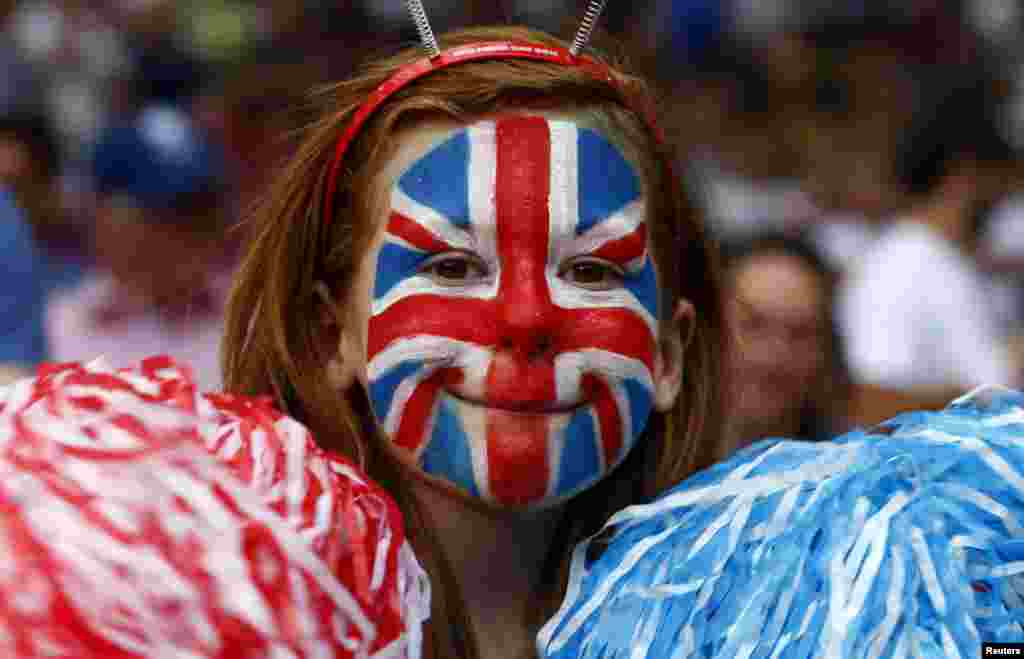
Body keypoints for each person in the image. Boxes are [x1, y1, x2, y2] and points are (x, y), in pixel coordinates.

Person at [221, 24, 727, 659]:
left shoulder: (755, 631)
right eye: (452, 267)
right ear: (333, 336)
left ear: (668, 354)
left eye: (590, 271)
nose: (526, 320)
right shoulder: (226, 625)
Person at [838, 72, 1021, 392]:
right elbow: (877, 397)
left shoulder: (947, 261)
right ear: (964, 176)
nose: (1005, 199)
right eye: (1000, 179)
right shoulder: (896, 267)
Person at [46, 104, 230, 392]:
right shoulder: (58, 326)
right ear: (101, 216)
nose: (187, 234)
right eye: (158, 215)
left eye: (198, 211)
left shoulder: (251, 323)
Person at [720, 232, 849, 456]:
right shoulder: (650, 466)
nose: (774, 356)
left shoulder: (850, 476)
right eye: (753, 325)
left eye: (801, 334)